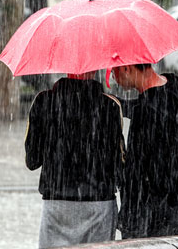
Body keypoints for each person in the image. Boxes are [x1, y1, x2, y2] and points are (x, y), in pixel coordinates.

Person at [25, 71, 125, 248]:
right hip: (99, 203)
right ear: (95, 69)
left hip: (57, 203)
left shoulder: (43, 101)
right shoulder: (110, 105)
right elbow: (120, 165)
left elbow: (32, 161)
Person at [110, 64, 178, 239]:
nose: (114, 78)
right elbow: (153, 105)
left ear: (127, 68)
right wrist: (119, 104)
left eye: (114, 71)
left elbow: (139, 173)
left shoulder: (147, 112)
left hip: (150, 219)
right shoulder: (174, 87)